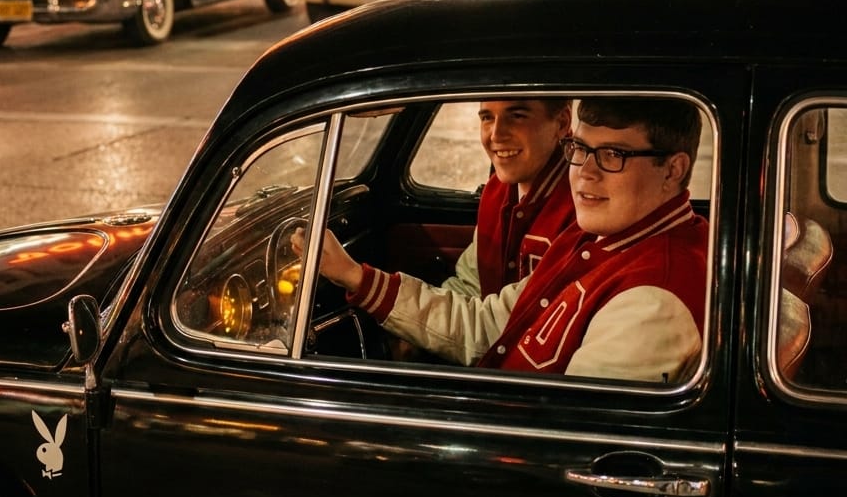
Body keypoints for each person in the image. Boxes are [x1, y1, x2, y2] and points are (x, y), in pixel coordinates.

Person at [293, 97, 708, 383]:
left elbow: (572, 434)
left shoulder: (653, 297)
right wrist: (355, 278)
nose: (584, 173)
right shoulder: (599, 239)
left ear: (673, 170)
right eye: (581, 149)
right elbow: (487, 323)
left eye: (613, 155)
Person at [442, 97, 575, 298]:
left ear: (562, 123)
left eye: (517, 116)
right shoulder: (495, 191)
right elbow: (470, 284)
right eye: (487, 117)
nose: (496, 135)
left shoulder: (583, 203)